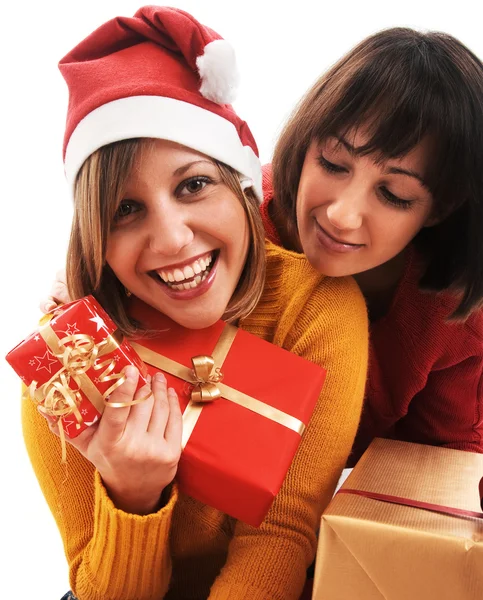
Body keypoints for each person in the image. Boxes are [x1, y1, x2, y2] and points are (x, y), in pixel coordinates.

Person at [24, 6, 368, 600]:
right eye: (125, 210)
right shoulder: (66, 359)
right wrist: (134, 494)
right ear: (94, 237)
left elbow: (282, 534)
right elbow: (93, 587)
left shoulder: (316, 304)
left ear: (242, 186)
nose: (173, 239)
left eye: (193, 185)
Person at [260, 27, 483, 466]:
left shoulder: (452, 315)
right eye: (332, 162)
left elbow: (446, 459)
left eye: (395, 195)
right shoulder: (228, 221)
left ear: (439, 209)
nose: (342, 215)